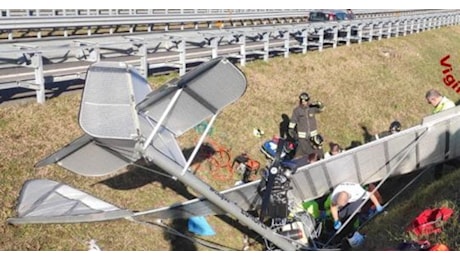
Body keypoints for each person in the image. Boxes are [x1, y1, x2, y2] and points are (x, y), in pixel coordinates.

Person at [288, 92, 324, 159]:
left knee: (318, 153)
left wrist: (319, 103)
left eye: (305, 101)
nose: (303, 102)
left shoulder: (312, 108)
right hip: (302, 139)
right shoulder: (297, 111)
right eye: (302, 100)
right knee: (301, 155)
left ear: (308, 100)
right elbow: (291, 126)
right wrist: (294, 135)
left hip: (314, 137)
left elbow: (321, 109)